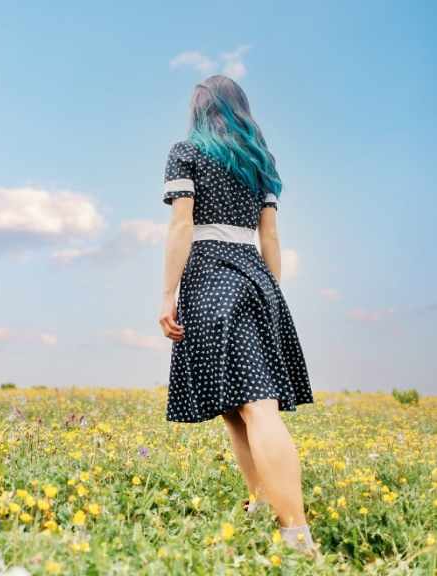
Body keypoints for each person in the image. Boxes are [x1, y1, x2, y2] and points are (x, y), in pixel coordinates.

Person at [158, 75, 318, 555]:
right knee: (234, 409)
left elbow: (181, 227)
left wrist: (167, 294)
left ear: (198, 111)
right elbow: (270, 236)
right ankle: (261, 504)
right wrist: (271, 293)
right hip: (256, 275)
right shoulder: (259, 161)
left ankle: (297, 537)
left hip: (209, 276)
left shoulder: (185, 152)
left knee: (256, 407)